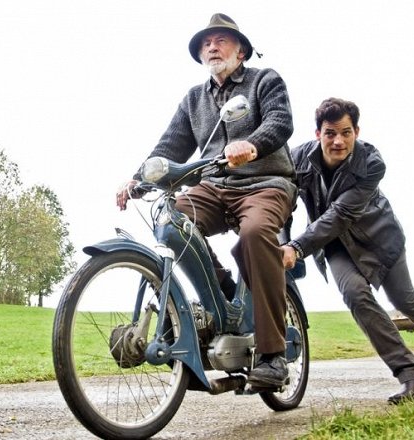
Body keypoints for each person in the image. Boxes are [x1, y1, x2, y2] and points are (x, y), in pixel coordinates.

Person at [116, 13, 297, 387]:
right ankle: (219, 293)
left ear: (241, 51)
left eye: (220, 40)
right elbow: (171, 145)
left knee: (254, 234)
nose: (211, 47)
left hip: (264, 184)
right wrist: (137, 177)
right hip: (213, 187)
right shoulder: (194, 99)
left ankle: (273, 354)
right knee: (171, 222)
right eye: (205, 43)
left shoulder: (265, 80)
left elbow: (280, 122)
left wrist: (253, 144)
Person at [282, 97, 414, 404]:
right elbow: (281, 195)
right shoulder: (298, 158)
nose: (338, 141)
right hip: (336, 246)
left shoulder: (371, 163)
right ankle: (411, 378)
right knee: (355, 294)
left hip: (380, 239)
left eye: (345, 132)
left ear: (356, 131)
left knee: (405, 300)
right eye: (330, 133)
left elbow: (340, 214)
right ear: (318, 134)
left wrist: (298, 246)